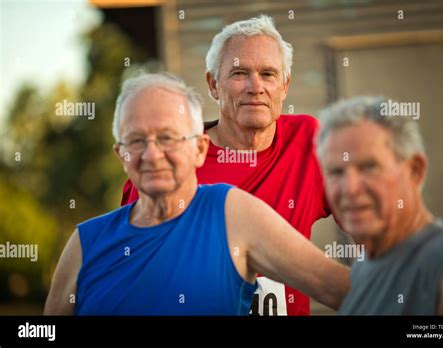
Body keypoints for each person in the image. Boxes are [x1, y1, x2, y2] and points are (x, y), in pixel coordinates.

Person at [43, 73, 349, 315]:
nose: (152, 154)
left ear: (200, 149)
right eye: (136, 140)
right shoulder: (85, 243)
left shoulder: (233, 213)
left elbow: (345, 290)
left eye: (168, 137)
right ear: (120, 153)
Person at [121, 14, 330, 316]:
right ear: (213, 84)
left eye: (268, 74)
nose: (255, 87)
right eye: (239, 73)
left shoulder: (309, 141)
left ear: (285, 86)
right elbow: (134, 273)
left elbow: (377, 220)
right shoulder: (168, 161)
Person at [316, 96, 443, 315]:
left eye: (369, 167)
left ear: (414, 170)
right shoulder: (368, 264)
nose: (349, 189)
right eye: (336, 172)